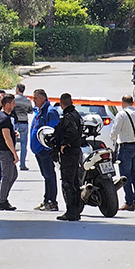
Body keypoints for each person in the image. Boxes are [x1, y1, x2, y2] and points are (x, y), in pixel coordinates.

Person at [110, 95, 135, 212]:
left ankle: (129, 202)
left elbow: (114, 131)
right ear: (132, 102)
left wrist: (113, 138)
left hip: (125, 147)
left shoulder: (121, 115)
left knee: (125, 176)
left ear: (122, 102)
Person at [53, 93, 83, 221]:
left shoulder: (69, 117)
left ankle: (71, 211)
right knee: (74, 183)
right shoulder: (76, 115)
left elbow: (72, 132)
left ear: (61, 103)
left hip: (69, 153)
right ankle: (75, 211)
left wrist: (64, 144)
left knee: (68, 183)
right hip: (75, 152)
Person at [30, 89, 60, 212]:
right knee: (46, 176)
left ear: (43, 98)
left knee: (49, 176)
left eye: (35, 98)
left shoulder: (50, 112)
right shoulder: (40, 111)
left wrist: (46, 147)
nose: (33, 100)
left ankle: (52, 202)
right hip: (39, 150)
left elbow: (52, 132)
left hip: (45, 150)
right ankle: (47, 199)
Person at [0, 94, 19, 210]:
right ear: (7, 104)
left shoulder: (1, 116)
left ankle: (4, 198)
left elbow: (6, 133)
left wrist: (12, 133)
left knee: (13, 175)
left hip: (4, 150)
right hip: (5, 151)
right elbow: (6, 138)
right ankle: (2, 201)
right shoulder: (4, 118)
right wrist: (14, 153)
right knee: (7, 176)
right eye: (13, 103)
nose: (14, 105)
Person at [14, 84, 33, 171]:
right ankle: (22, 164)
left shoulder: (13, 99)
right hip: (24, 122)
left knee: (12, 143)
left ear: (17, 89)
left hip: (15, 122)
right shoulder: (27, 100)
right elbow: (30, 110)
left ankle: (12, 162)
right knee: (23, 145)